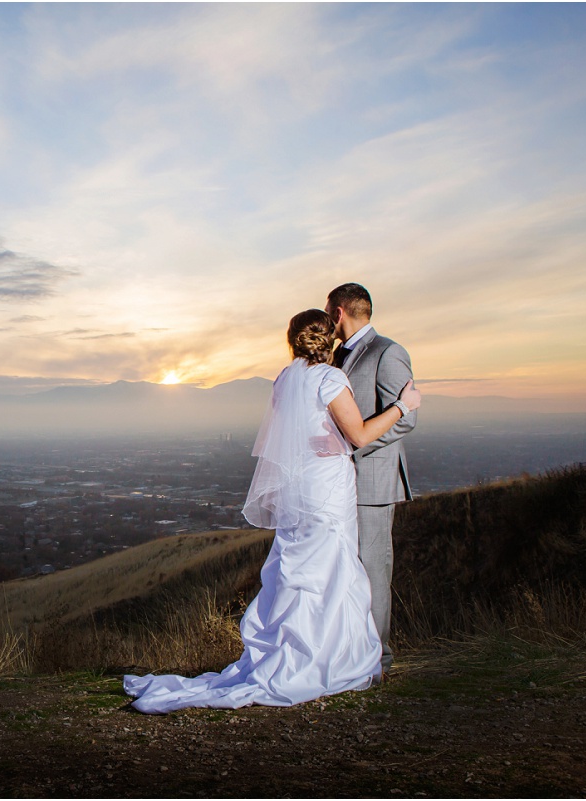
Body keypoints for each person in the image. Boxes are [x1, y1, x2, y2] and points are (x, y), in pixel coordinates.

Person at [123, 309, 421, 714]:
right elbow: (359, 434)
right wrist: (404, 406)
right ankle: (332, 659)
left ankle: (298, 650)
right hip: (327, 490)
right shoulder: (330, 379)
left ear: (293, 340)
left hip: (298, 490)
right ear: (330, 338)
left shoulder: (284, 380)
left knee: (299, 572)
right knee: (333, 570)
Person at [325, 283, 416, 676]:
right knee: (346, 570)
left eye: (329, 312)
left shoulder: (388, 352)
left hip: (373, 482)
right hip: (340, 482)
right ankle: (350, 652)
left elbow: (406, 417)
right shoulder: (334, 355)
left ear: (339, 312)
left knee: (373, 570)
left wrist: (352, 447)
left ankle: (378, 660)